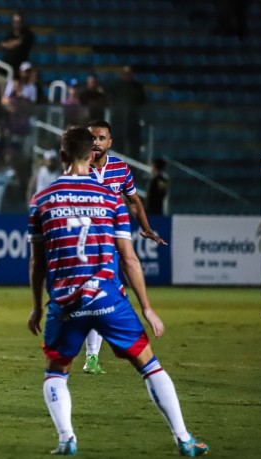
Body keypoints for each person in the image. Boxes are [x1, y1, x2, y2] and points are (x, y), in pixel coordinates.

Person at [26, 127, 208, 456]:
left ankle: (67, 439)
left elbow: (37, 262)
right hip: (108, 297)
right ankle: (183, 438)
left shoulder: (42, 199)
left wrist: (37, 306)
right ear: (90, 155)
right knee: (150, 365)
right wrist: (148, 308)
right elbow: (129, 258)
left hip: (66, 302)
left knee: (56, 372)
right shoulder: (110, 197)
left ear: (63, 156)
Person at [83, 119, 167, 375]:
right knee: (97, 297)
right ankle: (92, 353)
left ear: (109, 142)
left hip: (110, 244)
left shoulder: (120, 169)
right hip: (83, 243)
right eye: (92, 138)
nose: (96, 143)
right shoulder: (77, 169)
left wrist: (146, 227)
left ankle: (92, 356)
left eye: (101, 138)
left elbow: (133, 200)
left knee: (98, 297)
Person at [0, 11, 35, 75]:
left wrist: (9, 44)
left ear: (22, 22)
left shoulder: (28, 33)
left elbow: (19, 43)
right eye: (14, 22)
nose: (16, 24)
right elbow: (3, 44)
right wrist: (13, 43)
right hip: (7, 64)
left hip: (19, 67)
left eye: (18, 22)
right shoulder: (9, 32)